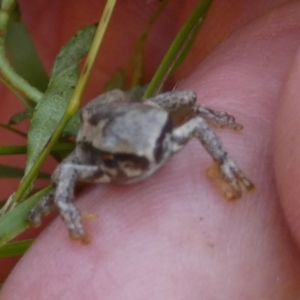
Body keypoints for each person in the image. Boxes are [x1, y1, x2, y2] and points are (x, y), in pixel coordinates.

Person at [1, 0, 300, 298]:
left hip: (138, 115)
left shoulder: (164, 141)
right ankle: (59, 200)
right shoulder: (96, 163)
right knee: (59, 179)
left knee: (189, 98)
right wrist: (65, 203)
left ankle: (198, 115)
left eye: (159, 147)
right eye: (136, 157)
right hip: (101, 133)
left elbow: (196, 126)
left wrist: (225, 160)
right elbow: (68, 169)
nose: (149, 160)